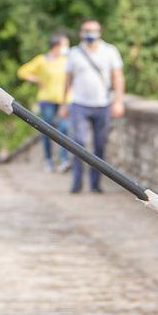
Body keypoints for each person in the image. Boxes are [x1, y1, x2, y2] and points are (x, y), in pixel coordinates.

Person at [64, 18, 125, 194]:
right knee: (78, 143)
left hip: (103, 104)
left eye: (93, 30)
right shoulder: (74, 53)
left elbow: (118, 77)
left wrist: (118, 101)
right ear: (81, 33)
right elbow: (68, 79)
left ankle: (95, 184)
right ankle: (76, 183)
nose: (90, 34)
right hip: (79, 104)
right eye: (87, 30)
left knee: (99, 145)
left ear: (100, 31)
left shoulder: (110, 51)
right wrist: (63, 102)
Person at [16, 31, 73, 172]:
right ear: (57, 45)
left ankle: (64, 160)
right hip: (46, 100)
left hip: (64, 100)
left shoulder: (67, 60)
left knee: (64, 128)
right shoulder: (42, 60)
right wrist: (36, 79)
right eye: (65, 44)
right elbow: (22, 71)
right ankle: (49, 160)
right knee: (46, 130)